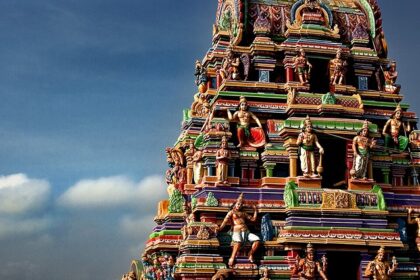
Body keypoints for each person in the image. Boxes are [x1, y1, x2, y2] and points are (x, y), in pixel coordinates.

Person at [217, 193, 260, 267]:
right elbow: (225, 221)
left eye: (240, 204)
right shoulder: (231, 212)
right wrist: (220, 228)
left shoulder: (243, 213)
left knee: (257, 239)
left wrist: (255, 210)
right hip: (237, 231)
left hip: (246, 231)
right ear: (235, 204)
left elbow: (253, 219)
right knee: (238, 242)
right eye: (238, 204)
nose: (239, 205)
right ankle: (232, 257)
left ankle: (250, 253)